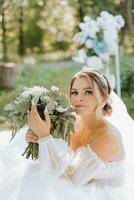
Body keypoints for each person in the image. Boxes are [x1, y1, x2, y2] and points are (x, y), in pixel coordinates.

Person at [0, 68, 134, 200]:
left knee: (38, 180)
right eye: (74, 92)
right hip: (77, 181)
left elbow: (72, 178)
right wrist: (38, 140)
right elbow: (58, 160)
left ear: (104, 98)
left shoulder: (109, 136)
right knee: (33, 172)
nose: (79, 98)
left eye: (88, 92)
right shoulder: (72, 121)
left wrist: (45, 138)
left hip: (99, 190)